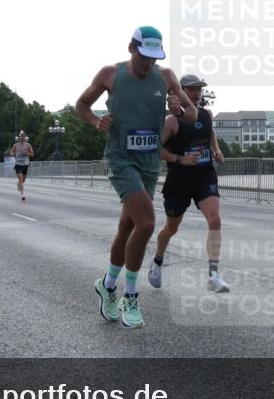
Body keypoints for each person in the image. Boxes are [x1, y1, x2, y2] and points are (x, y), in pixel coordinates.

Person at [75, 25, 197, 328]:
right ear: (132, 48)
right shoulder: (110, 74)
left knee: (127, 226)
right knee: (146, 223)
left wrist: (179, 110)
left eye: (154, 58)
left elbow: (193, 115)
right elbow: (82, 105)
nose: (148, 64)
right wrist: (95, 121)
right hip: (120, 159)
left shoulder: (166, 77)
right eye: (144, 57)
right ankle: (131, 294)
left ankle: (107, 283)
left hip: (149, 163)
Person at [148, 75, 229, 293]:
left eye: (199, 90)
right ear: (180, 92)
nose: (196, 94)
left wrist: (216, 151)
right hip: (180, 179)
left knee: (215, 218)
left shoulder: (206, 114)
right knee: (171, 228)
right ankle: (157, 260)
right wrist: (179, 159)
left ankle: (213, 274)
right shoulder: (172, 121)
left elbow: (210, 134)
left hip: (204, 175)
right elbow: (156, 148)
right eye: (191, 90)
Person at [10, 131, 35, 201]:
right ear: (19, 137)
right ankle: (22, 194)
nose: (22, 137)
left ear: (25, 137)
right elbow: (11, 152)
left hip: (25, 164)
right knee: (21, 180)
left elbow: (32, 154)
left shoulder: (28, 145)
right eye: (21, 136)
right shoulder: (16, 145)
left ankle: (18, 183)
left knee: (23, 181)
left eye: (23, 136)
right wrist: (12, 153)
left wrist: (27, 153)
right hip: (18, 164)